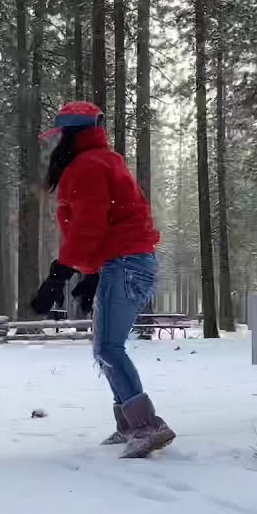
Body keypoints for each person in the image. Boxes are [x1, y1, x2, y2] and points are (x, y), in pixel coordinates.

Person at [29, 101, 176, 459]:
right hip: (126, 261)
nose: (56, 144)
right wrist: (92, 275)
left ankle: (146, 426)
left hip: (125, 263)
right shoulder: (103, 161)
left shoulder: (88, 166)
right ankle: (129, 425)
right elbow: (115, 222)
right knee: (105, 348)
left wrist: (60, 272)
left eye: (61, 135)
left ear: (73, 135)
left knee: (108, 348)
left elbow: (89, 227)